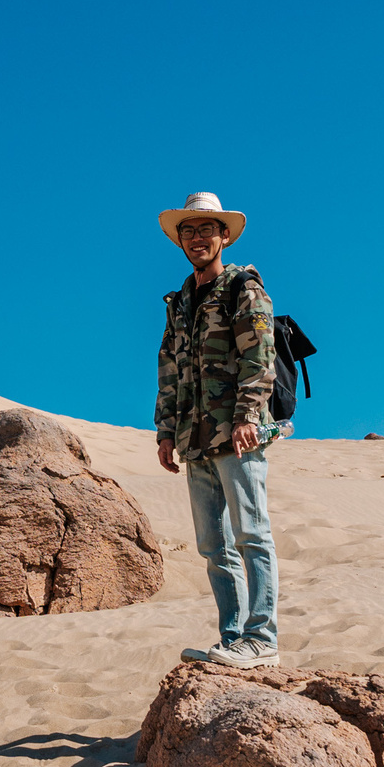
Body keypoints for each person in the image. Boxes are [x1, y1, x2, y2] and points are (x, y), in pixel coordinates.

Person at [153, 191, 283, 666]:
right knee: (214, 546)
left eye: (207, 229)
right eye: (188, 230)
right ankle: (232, 639)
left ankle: (262, 638)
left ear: (223, 235)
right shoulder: (180, 302)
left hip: (236, 432)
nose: (197, 238)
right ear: (180, 241)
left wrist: (250, 415)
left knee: (252, 533)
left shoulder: (241, 287)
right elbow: (169, 368)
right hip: (194, 438)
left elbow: (259, 356)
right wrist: (166, 431)